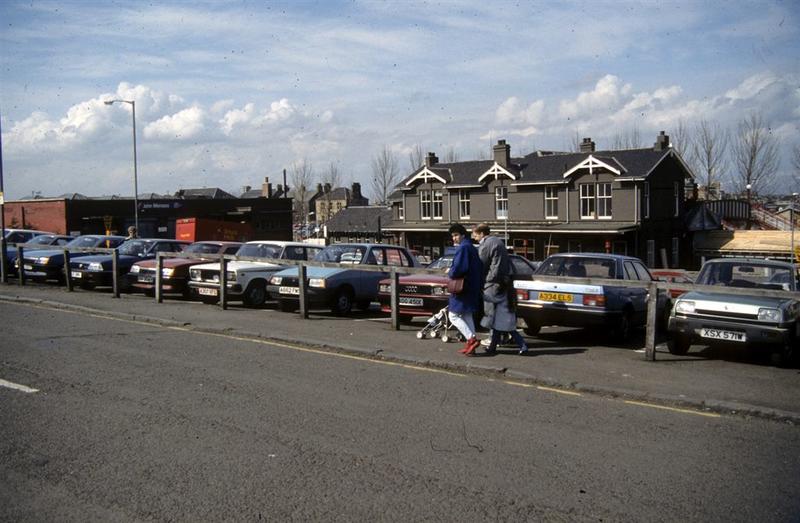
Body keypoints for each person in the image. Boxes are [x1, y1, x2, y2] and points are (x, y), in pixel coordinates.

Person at [472, 223, 528, 355]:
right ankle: (493, 346)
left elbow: (481, 264)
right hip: (503, 283)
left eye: (474, 234)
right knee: (499, 318)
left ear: (481, 233)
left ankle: (518, 345)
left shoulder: (486, 244)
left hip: (492, 283)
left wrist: (479, 283)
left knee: (492, 314)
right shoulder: (498, 242)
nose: (473, 237)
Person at [446, 223, 483, 356]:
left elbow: (459, 269)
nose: (454, 238)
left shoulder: (463, 248)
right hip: (472, 286)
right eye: (453, 236)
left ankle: (471, 339)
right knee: (467, 315)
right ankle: (471, 345)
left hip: (463, 287)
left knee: (453, 316)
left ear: (462, 235)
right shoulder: (471, 247)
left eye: (456, 235)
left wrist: (450, 272)